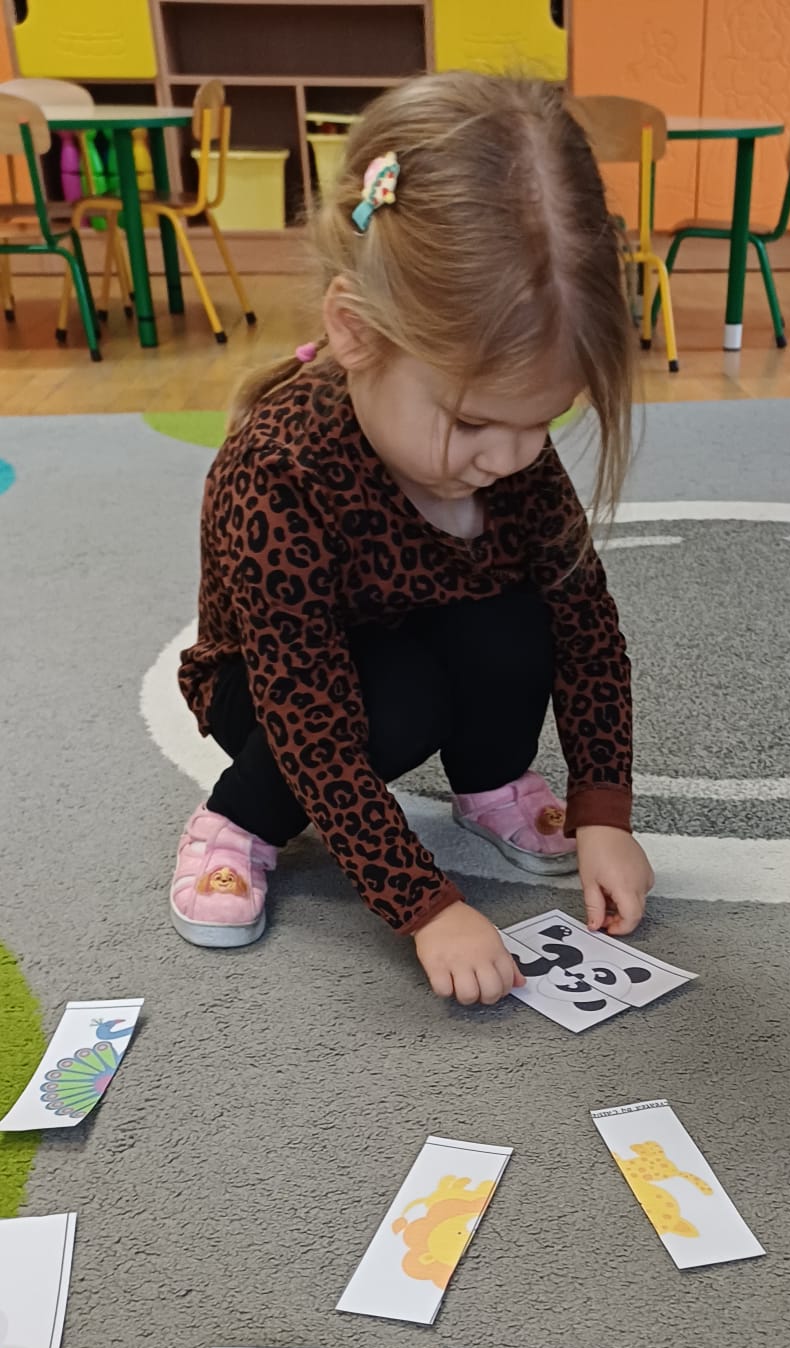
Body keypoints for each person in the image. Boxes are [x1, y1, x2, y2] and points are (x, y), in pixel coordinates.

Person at [171, 71, 654, 1006]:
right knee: (396, 699)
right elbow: (309, 715)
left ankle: (490, 783)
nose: (510, 457)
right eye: (473, 423)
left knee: (523, 621)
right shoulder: (279, 469)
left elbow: (588, 629)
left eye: (543, 419)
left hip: (416, 635)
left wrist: (604, 810)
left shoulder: (509, 452)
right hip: (272, 692)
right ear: (355, 332)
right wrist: (425, 906)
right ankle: (239, 819)